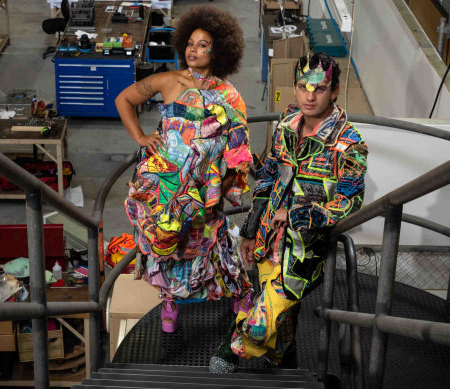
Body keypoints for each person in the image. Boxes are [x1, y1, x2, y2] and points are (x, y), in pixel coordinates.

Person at [209, 52, 368, 373]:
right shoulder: (286, 125)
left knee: (264, 317)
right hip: (268, 240)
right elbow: (267, 179)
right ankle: (285, 362)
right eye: (303, 86)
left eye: (320, 88)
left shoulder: (349, 144)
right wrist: (251, 231)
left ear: (334, 90)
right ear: (295, 88)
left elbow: (350, 202)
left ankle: (233, 347)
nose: (310, 95)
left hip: (305, 253)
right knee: (282, 322)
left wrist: (299, 214)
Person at [115, 5, 253, 334]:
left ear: (219, 50)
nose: (194, 50)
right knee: (167, 246)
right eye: (190, 43)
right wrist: (140, 136)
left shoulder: (230, 97)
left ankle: (239, 292)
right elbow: (124, 99)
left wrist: (227, 184)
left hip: (202, 190)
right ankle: (170, 301)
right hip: (162, 186)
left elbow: (239, 148)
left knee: (212, 243)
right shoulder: (168, 81)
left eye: (203, 44)